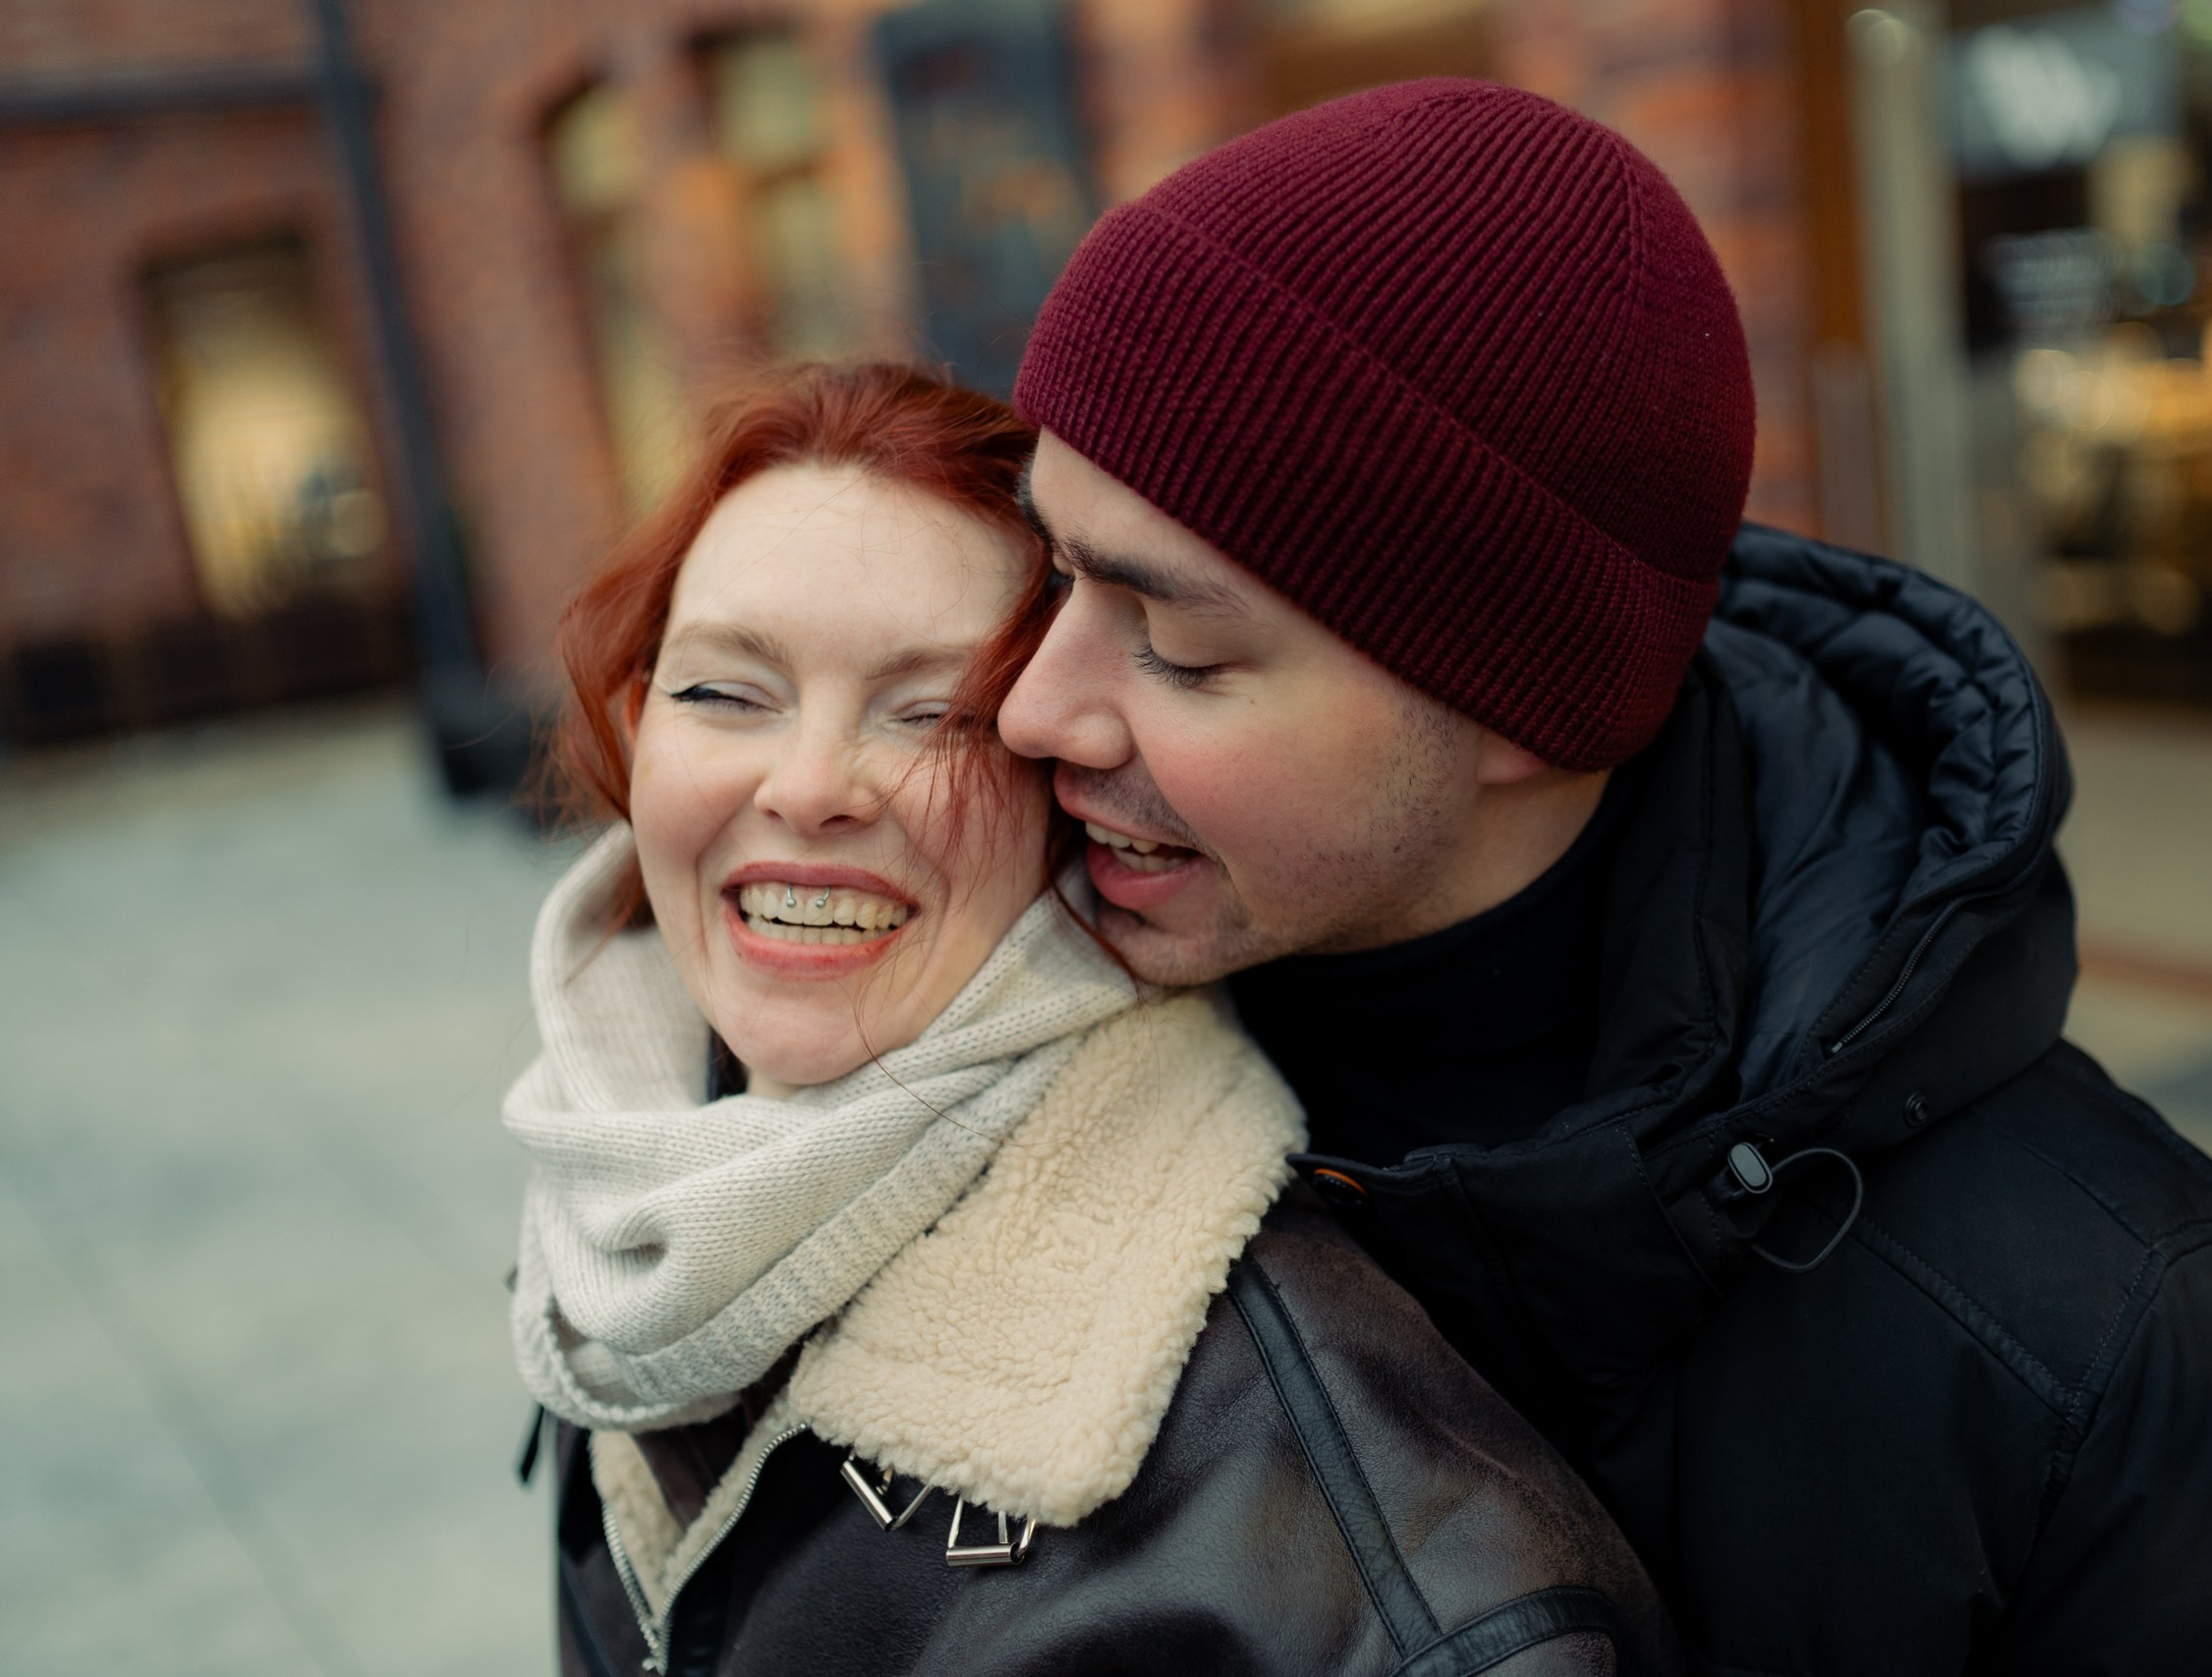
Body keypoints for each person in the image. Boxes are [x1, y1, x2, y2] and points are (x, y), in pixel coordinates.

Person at [996, 80, 2212, 1677]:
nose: (1032, 707)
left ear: (1516, 703)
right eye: (1053, 568)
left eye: (1178, 642)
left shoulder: (2118, 1346)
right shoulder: (1003, 1064)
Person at [507, 361, 1679, 1677]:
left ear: (1069, 792)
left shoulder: (1394, 1579)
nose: (811, 785)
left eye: (937, 715)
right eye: (725, 691)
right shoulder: (634, 1198)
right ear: (632, 720)